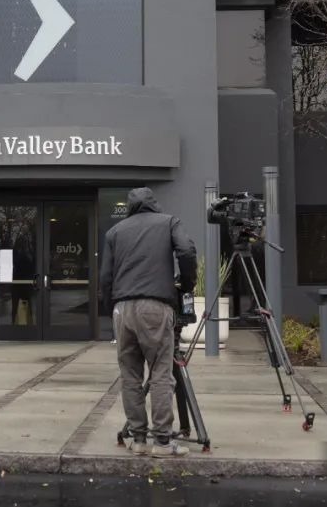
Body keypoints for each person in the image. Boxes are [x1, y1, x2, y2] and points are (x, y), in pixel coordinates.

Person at [99, 187, 197, 458]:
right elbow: (186, 251)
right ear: (154, 203)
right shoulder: (168, 222)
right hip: (155, 305)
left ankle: (139, 439)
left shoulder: (114, 232)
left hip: (122, 308)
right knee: (160, 373)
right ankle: (163, 442)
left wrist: (111, 310)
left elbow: (105, 277)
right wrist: (186, 284)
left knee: (130, 375)